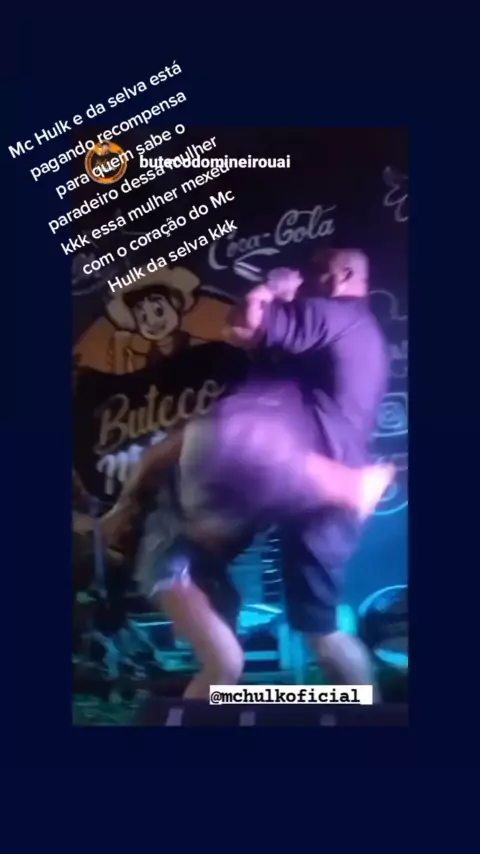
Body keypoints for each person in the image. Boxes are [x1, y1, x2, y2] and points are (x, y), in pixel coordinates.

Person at [102, 257, 392, 698]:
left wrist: (123, 505)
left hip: (211, 556)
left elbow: (171, 450)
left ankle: (338, 711)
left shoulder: (230, 469)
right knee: (226, 664)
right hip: (178, 565)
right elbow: (187, 447)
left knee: (244, 658)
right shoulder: (181, 537)